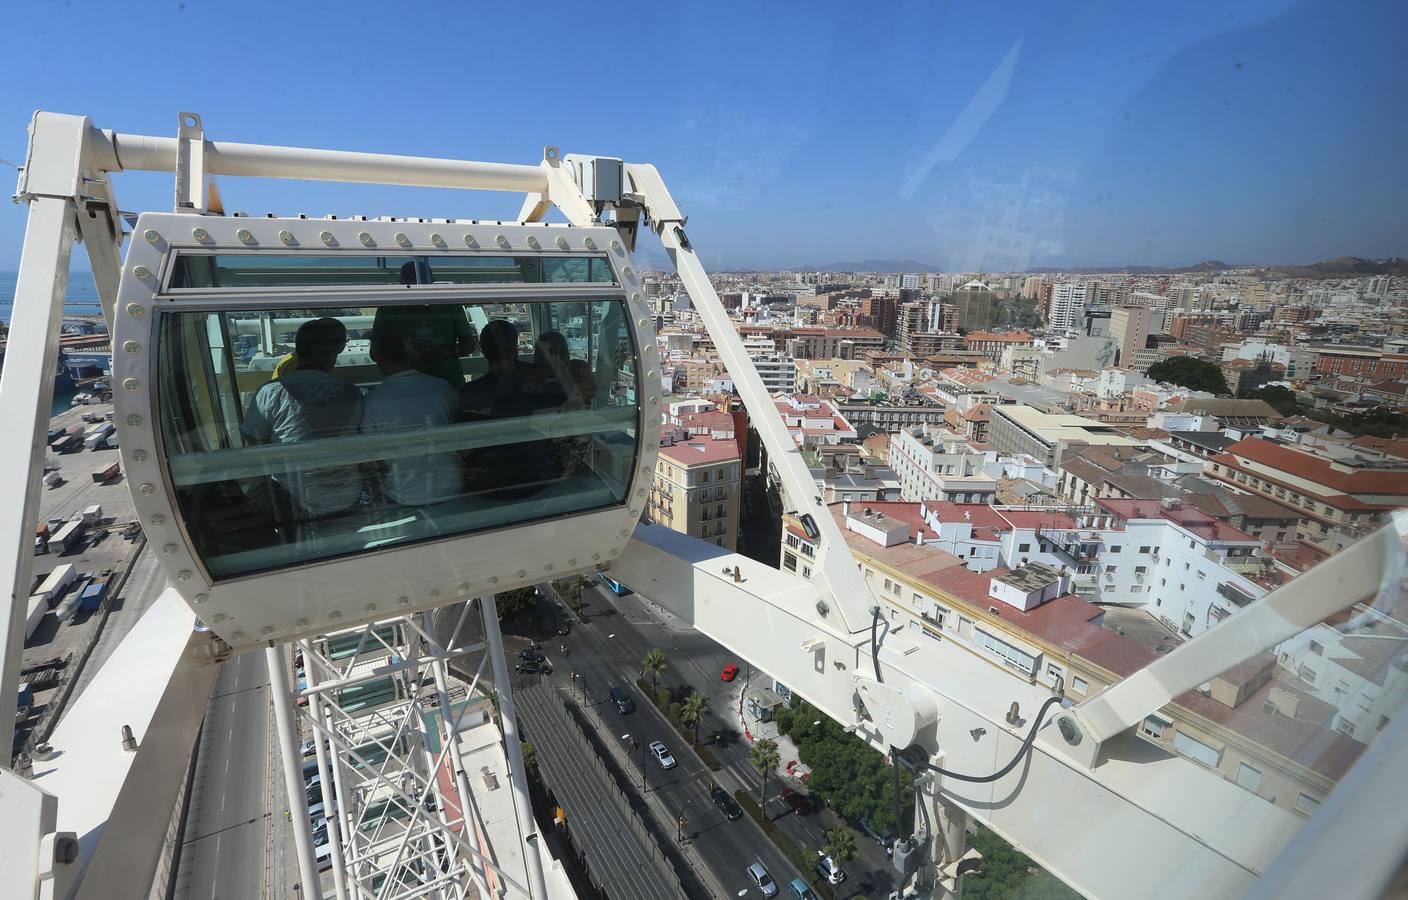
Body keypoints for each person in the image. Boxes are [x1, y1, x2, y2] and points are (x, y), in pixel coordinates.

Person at [241, 317, 363, 519]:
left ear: (298, 352)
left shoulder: (270, 392)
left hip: (293, 502)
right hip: (346, 497)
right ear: (334, 354)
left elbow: (252, 444)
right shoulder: (351, 393)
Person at [361, 327, 463, 508]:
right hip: (452, 485)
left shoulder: (373, 400)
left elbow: (372, 457)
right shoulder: (443, 387)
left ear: (376, 356)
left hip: (404, 493)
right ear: (410, 354)